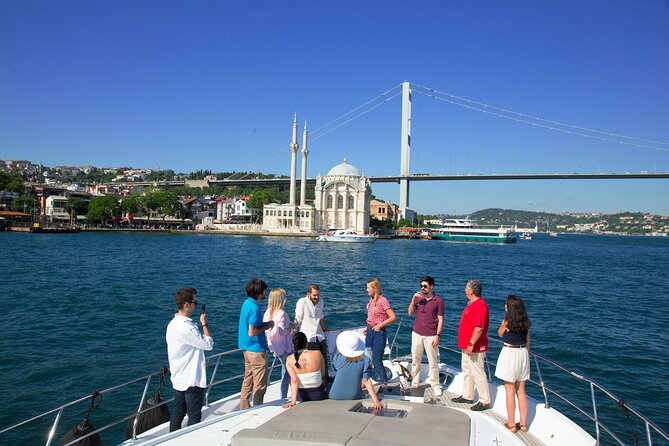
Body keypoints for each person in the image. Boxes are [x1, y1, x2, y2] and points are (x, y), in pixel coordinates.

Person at [166, 288, 214, 431]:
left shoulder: (172, 324)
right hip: (191, 379)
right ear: (186, 305)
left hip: (178, 377)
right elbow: (208, 344)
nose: (196, 305)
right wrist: (204, 324)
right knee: (194, 416)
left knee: (178, 413)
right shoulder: (188, 328)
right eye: (195, 302)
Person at [452, 279, 491, 411]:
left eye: (466, 287)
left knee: (478, 372)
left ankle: (485, 401)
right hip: (467, 346)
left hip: (474, 347)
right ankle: (468, 395)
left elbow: (479, 327)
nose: (464, 289)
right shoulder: (472, 304)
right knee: (467, 371)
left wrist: (471, 344)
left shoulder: (480, 305)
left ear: (471, 290)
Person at [494, 294, 531, 432]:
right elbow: (528, 341)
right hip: (523, 354)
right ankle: (523, 424)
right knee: (521, 391)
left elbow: (500, 334)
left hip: (510, 354)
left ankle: (511, 424)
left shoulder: (506, 321)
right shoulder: (526, 322)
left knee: (509, 391)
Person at [238, 278, 274, 409]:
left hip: (246, 349)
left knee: (248, 378)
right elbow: (252, 331)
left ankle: (244, 406)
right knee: (260, 383)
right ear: (259, 293)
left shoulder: (246, 303)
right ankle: (257, 409)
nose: (265, 294)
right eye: (264, 291)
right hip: (256, 350)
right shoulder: (255, 308)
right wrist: (267, 325)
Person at [407, 275, 444, 396]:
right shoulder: (418, 299)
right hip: (416, 333)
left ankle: (435, 384)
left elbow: (440, 319)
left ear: (432, 287)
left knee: (433, 362)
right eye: (421, 286)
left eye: (425, 286)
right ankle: (415, 380)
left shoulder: (438, 301)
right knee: (415, 360)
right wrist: (413, 299)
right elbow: (410, 312)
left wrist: (437, 335)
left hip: (431, 335)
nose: (422, 288)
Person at [329, 330, 383, 409]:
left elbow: (336, 370)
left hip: (334, 394)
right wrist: (376, 401)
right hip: (354, 395)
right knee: (363, 381)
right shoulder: (366, 359)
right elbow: (366, 380)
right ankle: (359, 385)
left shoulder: (337, 358)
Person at [282, 332, 328, 408]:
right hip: (318, 395)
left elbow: (294, 380)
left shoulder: (289, 359)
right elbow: (323, 374)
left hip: (300, 397)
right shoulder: (317, 353)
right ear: (306, 342)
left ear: (293, 344)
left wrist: (293, 402)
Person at [364, 278, 397, 386]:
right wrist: (368, 327)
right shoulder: (371, 299)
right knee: (367, 358)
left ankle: (384, 383)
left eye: (369, 288)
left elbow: (393, 317)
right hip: (370, 332)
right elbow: (372, 316)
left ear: (375, 288)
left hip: (379, 334)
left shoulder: (382, 300)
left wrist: (380, 325)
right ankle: (366, 381)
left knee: (377, 360)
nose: (367, 290)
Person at [263, 288, 293, 399]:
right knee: (288, 370)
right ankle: (285, 395)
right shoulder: (282, 314)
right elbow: (281, 330)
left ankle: (286, 394)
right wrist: (289, 329)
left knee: (285, 369)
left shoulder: (268, 312)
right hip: (284, 346)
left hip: (274, 345)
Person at [293, 284, 329, 360]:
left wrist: (324, 328)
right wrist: (292, 328)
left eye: (318, 295)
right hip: (308, 339)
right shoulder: (302, 302)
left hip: (320, 337)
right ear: (308, 294)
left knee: (323, 361)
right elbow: (298, 318)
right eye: (314, 295)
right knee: (313, 363)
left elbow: (321, 317)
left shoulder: (321, 301)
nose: (317, 297)